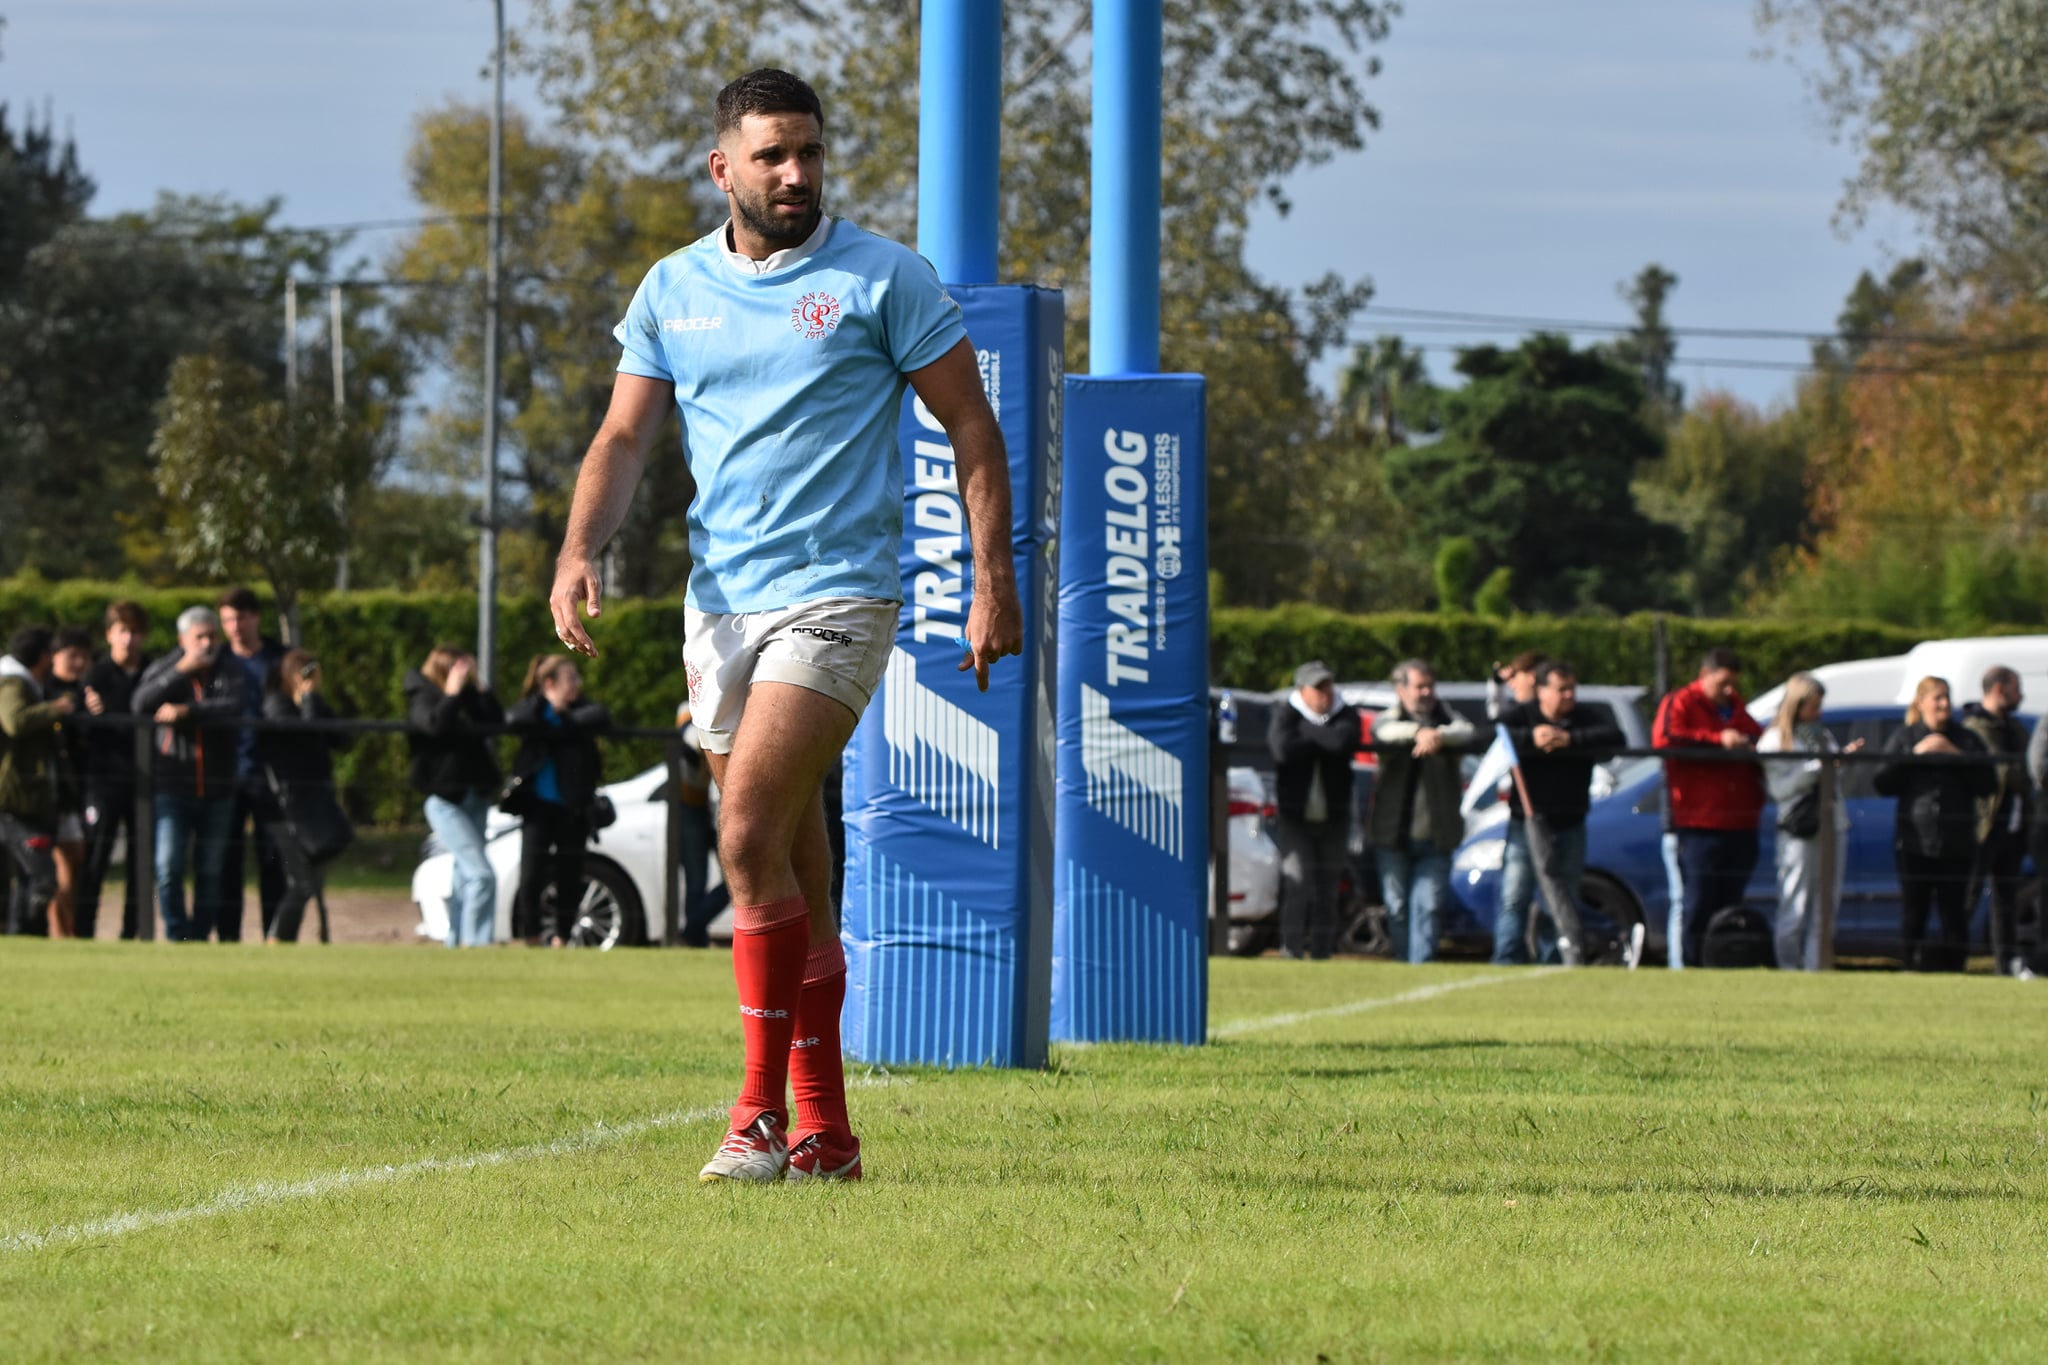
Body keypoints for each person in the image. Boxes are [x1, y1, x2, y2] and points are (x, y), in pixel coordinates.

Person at [548, 68, 1021, 1183]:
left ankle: (755, 1116)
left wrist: (992, 580)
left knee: (748, 831)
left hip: (839, 594)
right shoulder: (670, 289)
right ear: (724, 168)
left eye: (808, 151)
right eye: (771, 155)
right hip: (718, 609)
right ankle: (830, 1134)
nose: (795, 172)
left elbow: (972, 430)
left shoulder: (882, 278)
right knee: (793, 862)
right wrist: (578, 549)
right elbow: (622, 441)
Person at [1493, 660, 1622, 966]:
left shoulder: (1584, 718)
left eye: (1572, 689)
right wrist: (1531, 739)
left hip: (1570, 823)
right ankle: (1507, 959)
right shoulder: (1520, 716)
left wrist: (1570, 740)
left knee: (1562, 899)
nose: (1569, 696)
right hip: (1526, 824)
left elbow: (1616, 739)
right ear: (1540, 691)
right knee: (1515, 897)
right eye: (1561, 689)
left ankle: (1552, 960)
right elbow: (1489, 734)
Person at [133, 606, 248, 942]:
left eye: (212, 636)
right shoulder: (165, 668)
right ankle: (176, 933)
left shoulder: (230, 670)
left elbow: (234, 706)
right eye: (199, 637)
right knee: (168, 866)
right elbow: (140, 702)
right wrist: (180, 672)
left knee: (210, 871)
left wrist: (188, 711)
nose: (207, 643)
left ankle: (198, 937)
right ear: (183, 639)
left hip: (218, 789)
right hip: (172, 786)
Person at [1653, 647, 1766, 968]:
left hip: (1741, 823)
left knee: (1729, 904)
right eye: (1723, 683)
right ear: (1704, 676)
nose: (1729, 691)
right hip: (1699, 823)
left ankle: (1722, 963)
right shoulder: (1682, 702)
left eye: (1734, 684)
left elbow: (1760, 740)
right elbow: (1666, 739)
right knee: (1697, 903)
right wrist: (1718, 740)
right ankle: (1690, 967)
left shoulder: (1736, 708)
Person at [1874, 676, 1995, 972]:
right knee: (1915, 909)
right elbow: (1882, 782)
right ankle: (1910, 965)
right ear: (1921, 702)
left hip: (1957, 842)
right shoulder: (1906, 737)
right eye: (1937, 698)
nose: (1944, 704)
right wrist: (1916, 755)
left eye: (1946, 698)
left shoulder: (1966, 739)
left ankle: (1956, 968)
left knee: (1954, 911)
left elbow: (1988, 783)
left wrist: (1955, 755)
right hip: (1914, 841)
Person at [1370, 658, 1476, 963]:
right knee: (1397, 906)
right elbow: (1384, 733)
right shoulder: (1388, 719)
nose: (1426, 692)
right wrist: (1418, 732)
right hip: (1392, 833)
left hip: (1436, 835)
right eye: (1419, 686)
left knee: (1428, 905)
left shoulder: (1447, 720)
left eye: (1430, 686)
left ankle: (1421, 966)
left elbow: (1467, 731)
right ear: (1401, 690)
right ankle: (1406, 963)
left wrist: (1437, 736)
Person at [506, 655, 613, 947]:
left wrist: (562, 718)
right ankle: (531, 935)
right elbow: (514, 718)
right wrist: (551, 709)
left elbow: (602, 716)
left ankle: (562, 937)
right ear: (550, 683)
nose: (577, 684)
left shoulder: (579, 708)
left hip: (572, 806)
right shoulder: (535, 709)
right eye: (571, 679)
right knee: (532, 875)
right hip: (538, 807)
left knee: (570, 873)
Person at [404, 645, 505, 949]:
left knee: (464, 876)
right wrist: (450, 695)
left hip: (476, 793)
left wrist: (480, 691)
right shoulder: (422, 695)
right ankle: (477, 945)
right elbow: (434, 726)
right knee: (481, 875)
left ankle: (456, 943)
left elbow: (497, 723)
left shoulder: (469, 698)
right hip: (445, 800)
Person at [1758, 673, 1859, 971]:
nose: (1818, 713)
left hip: (1832, 824)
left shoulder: (1822, 736)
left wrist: (1839, 762)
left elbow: (1833, 778)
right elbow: (1781, 790)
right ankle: (1789, 968)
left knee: (1827, 904)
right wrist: (1819, 767)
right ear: (1796, 705)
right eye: (1813, 706)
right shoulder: (1775, 740)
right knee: (1796, 902)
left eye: (1819, 706)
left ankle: (1818, 968)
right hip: (1798, 830)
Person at [1269, 660, 1358, 961]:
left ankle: (1322, 954)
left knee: (1327, 890)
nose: (1325, 694)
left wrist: (1306, 734)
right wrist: (1319, 734)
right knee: (1297, 884)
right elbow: (1282, 749)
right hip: (1295, 818)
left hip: (1334, 818)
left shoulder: (1345, 712)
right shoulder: (1285, 712)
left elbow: (1340, 742)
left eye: (1328, 687)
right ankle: (1291, 951)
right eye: (1317, 688)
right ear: (1302, 691)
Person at [260, 649, 350, 944]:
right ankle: (276, 939)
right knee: (301, 881)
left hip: (314, 804)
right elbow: (304, 739)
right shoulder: (277, 704)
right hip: (288, 807)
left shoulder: (314, 703)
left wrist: (318, 701)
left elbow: (343, 741)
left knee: (310, 879)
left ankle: (286, 939)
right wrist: (309, 700)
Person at [214, 587, 288, 942]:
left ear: (256, 617)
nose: (234, 626)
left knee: (272, 859)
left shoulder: (279, 658)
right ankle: (228, 938)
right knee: (227, 860)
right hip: (227, 775)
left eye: (240, 617)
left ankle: (273, 937)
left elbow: (309, 685)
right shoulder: (216, 659)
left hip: (269, 775)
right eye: (227, 619)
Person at [76, 600, 151, 939]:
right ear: (109, 635)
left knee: (140, 862)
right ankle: (84, 931)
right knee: (96, 859)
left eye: (135, 632)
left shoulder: (152, 672)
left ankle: (131, 933)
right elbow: (82, 733)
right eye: (123, 631)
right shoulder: (96, 675)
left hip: (144, 782)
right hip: (103, 782)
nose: (129, 639)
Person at [1, 627, 77, 936]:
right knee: (40, 878)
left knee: (26, 877)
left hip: (23, 795)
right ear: (45, 655)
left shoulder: (23, 681)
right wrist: (56, 709)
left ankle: (21, 935)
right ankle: (24, 933)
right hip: (16, 797)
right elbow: (15, 721)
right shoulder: (13, 682)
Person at [1960, 666, 2031, 978]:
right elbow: (2006, 772)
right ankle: (1955, 959)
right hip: (1983, 825)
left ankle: (2006, 963)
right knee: (1969, 893)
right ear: (2000, 689)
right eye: (2016, 688)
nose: (2021, 695)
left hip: (2013, 824)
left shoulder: (2013, 728)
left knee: (2006, 899)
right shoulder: (1976, 727)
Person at [43, 627, 93, 938]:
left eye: (84, 656)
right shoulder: (45, 691)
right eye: (72, 655)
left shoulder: (87, 690)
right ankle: (59, 932)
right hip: (52, 792)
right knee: (62, 862)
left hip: (77, 789)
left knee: (74, 860)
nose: (79, 662)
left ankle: (67, 928)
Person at [673, 702, 726, 947]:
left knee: (731, 883)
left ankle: (691, 932)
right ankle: (694, 938)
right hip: (693, 807)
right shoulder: (689, 707)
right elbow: (689, 740)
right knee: (696, 880)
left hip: (713, 807)